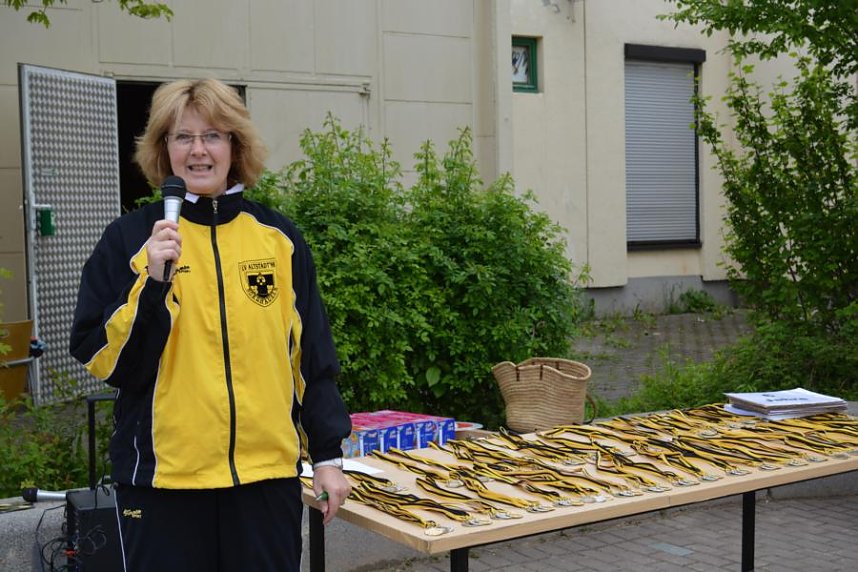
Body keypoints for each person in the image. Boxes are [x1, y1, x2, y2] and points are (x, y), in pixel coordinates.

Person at [70, 78, 352, 571]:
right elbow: (104, 360)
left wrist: (327, 457)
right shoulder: (130, 239)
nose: (198, 150)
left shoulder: (279, 238)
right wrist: (151, 283)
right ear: (164, 150)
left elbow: (312, 359)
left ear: (235, 147)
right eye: (183, 137)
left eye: (213, 135)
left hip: (264, 481)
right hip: (164, 484)